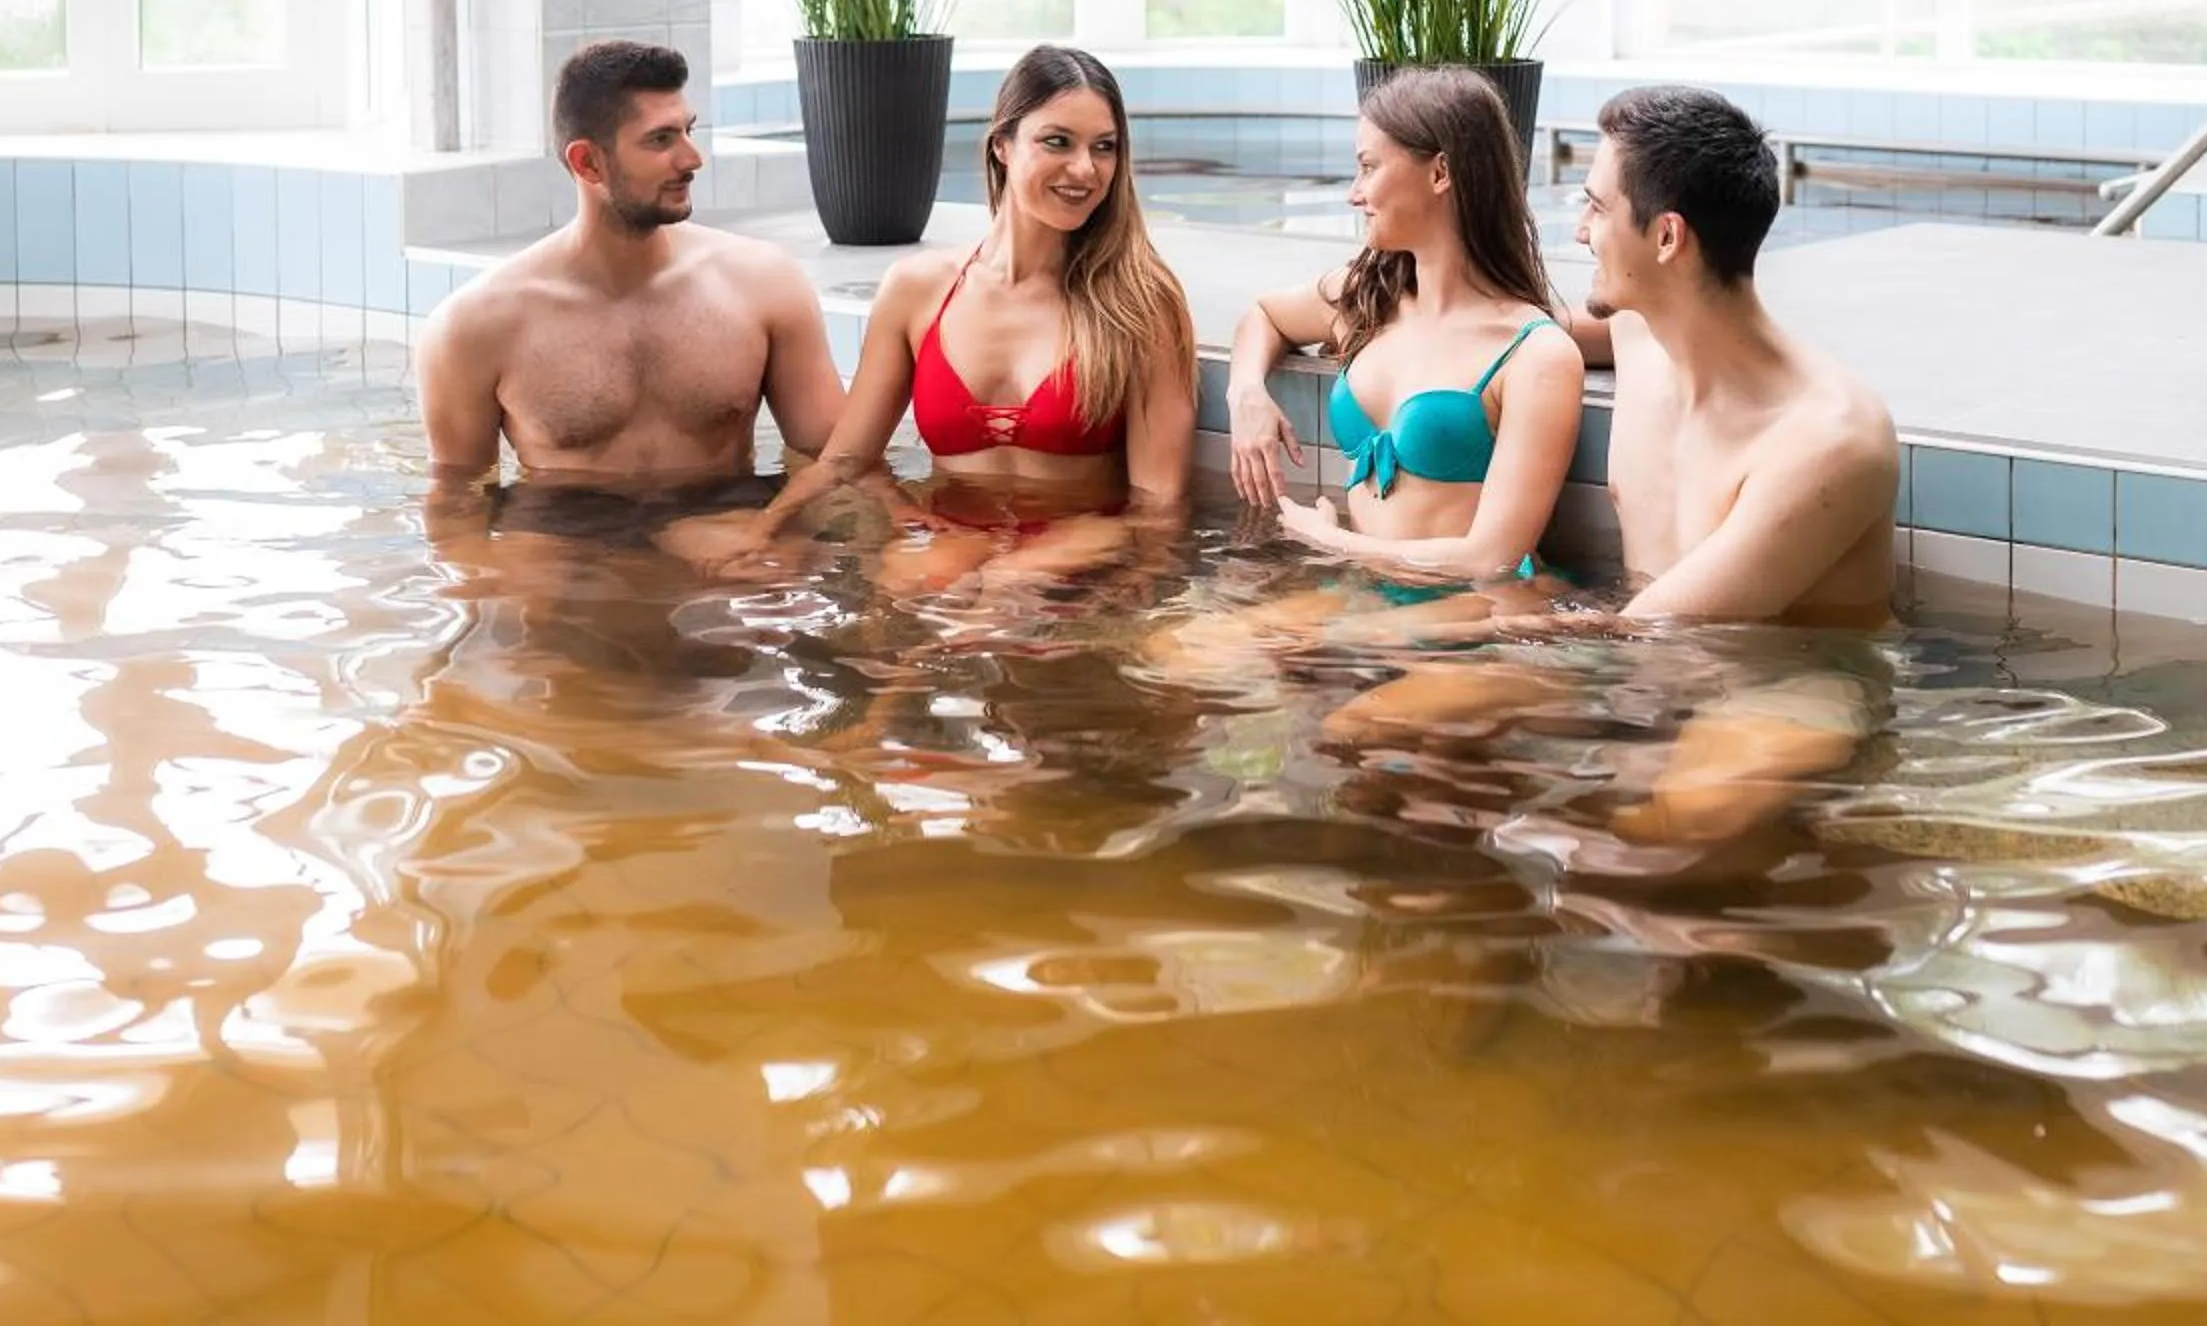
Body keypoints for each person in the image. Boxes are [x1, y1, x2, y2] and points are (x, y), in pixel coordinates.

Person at [1318, 84, 1902, 846]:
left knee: (1667, 829)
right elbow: (1489, 334)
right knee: (1358, 729)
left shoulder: (1828, 440)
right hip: (1631, 652)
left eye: (1595, 206)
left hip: (1787, 678)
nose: (1580, 227)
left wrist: (1401, 622)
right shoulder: (1637, 333)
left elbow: (1653, 626)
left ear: (1666, 238)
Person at [671, 45, 1197, 594]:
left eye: (1104, 148)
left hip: (1077, 555)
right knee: (872, 618)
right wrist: (766, 527)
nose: (1085, 169)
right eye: (1057, 142)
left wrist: (1064, 578)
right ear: (1002, 146)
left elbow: (1158, 509)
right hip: (955, 548)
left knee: (968, 601)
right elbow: (848, 458)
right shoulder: (917, 290)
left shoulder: (1139, 302)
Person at [1157, 68, 1587, 668]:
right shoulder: (1369, 300)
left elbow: (1489, 557)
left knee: (1356, 725)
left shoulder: (1534, 355)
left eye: (1368, 166)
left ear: (1440, 172)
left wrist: (1326, 540)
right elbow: (1265, 315)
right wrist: (1247, 391)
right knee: (1176, 651)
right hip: (1365, 587)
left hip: (1472, 603)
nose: (1354, 193)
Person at [417, 39, 846, 496]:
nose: (692, 159)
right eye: (661, 139)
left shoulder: (763, 284)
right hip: (564, 554)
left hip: (728, 544)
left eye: (689, 131)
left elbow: (840, 463)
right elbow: (456, 513)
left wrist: (779, 542)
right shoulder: (474, 328)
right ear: (588, 163)